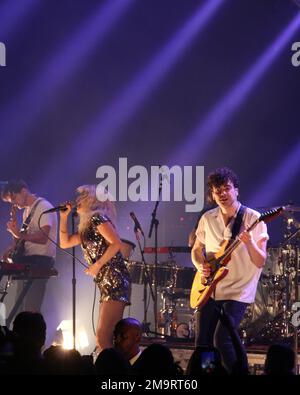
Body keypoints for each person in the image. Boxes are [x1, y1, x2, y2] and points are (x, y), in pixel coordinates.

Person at [191, 167, 268, 374]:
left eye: (227, 188)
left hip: (238, 290)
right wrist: (202, 266)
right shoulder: (208, 218)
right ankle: (208, 374)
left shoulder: (253, 218)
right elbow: (197, 249)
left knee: (222, 339)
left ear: (236, 191)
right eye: (218, 190)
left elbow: (260, 261)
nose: (222, 194)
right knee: (203, 342)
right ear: (212, 194)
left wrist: (250, 242)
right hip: (211, 288)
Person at [59, 185, 131, 352]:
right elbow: (64, 243)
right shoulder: (88, 226)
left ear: (92, 200)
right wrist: (63, 218)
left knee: (103, 336)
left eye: (82, 197)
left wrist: (96, 266)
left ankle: (114, 372)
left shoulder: (97, 218)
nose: (77, 201)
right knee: (106, 337)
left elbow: (116, 243)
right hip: (106, 281)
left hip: (114, 278)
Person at [1, 180, 57, 317]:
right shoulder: (27, 211)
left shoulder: (43, 206)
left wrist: (18, 234)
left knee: (31, 308)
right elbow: (22, 239)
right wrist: (15, 226)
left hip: (40, 261)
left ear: (23, 191)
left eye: (14, 198)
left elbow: (43, 238)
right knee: (19, 307)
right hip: (29, 261)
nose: (14, 203)